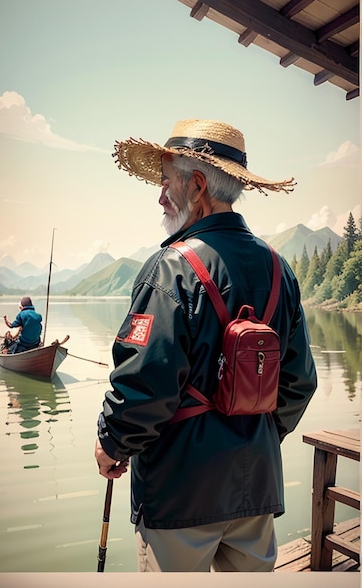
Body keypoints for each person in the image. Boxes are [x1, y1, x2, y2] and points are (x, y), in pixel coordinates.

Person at [94, 119, 317, 572]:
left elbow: (144, 386)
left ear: (197, 186)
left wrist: (111, 443)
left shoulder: (170, 268)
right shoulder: (280, 269)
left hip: (180, 496)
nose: (159, 195)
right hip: (256, 487)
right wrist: (255, 437)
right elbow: (299, 383)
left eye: (166, 181)